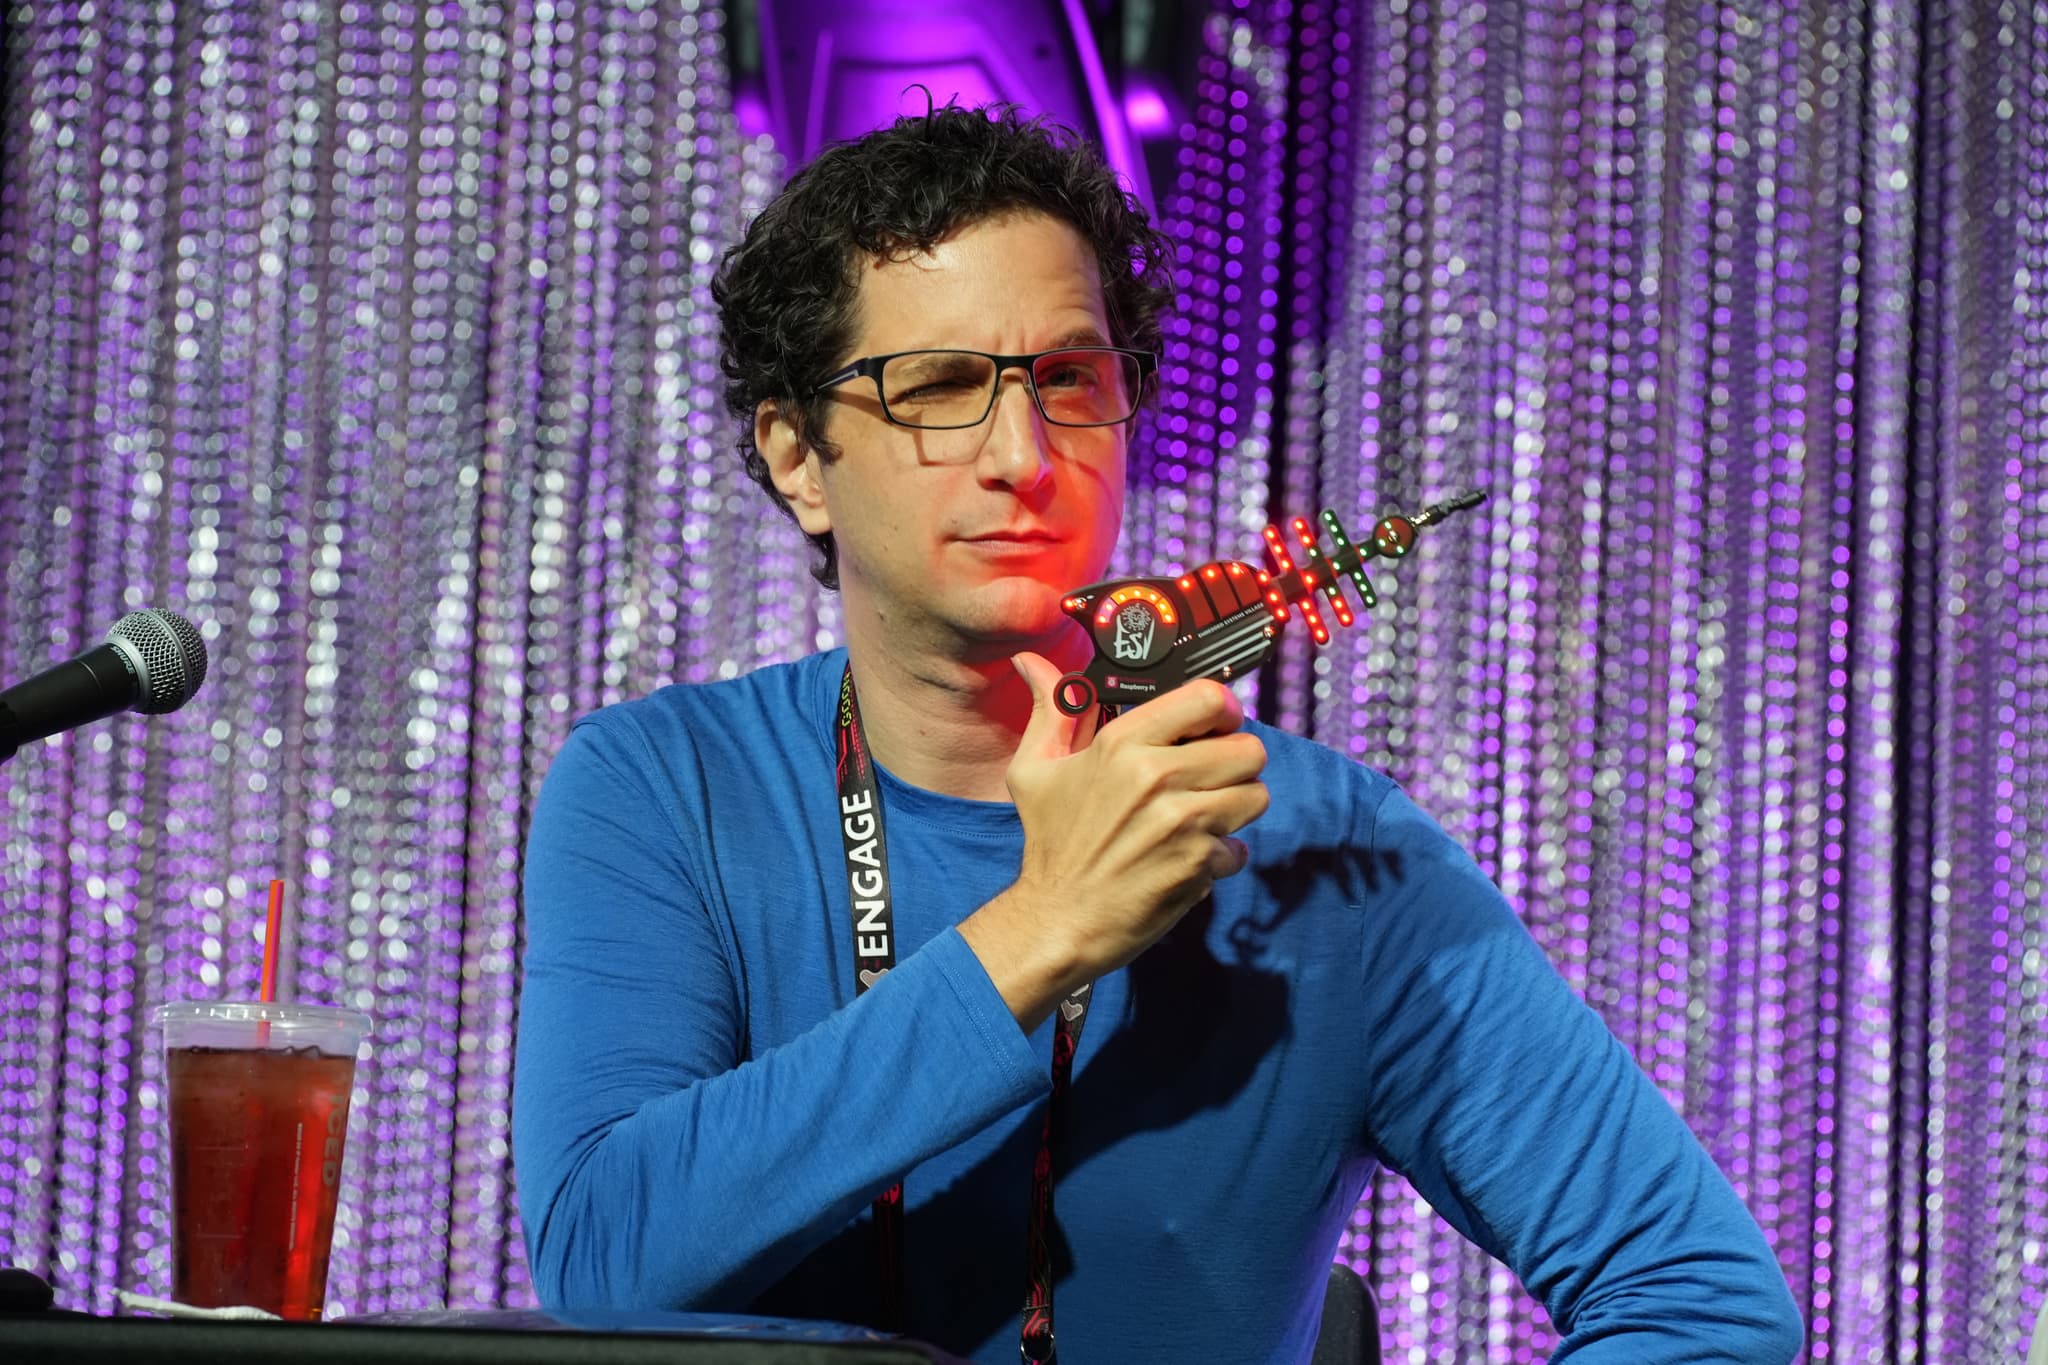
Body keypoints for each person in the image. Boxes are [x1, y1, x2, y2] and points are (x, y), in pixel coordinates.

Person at [512, 105, 1805, 1363]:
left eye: (1070, 380)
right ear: (797, 453)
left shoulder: (1324, 848)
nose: (1022, 451)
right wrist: (1040, 929)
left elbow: (1703, 1302)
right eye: (942, 386)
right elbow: (603, 1250)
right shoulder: (663, 787)